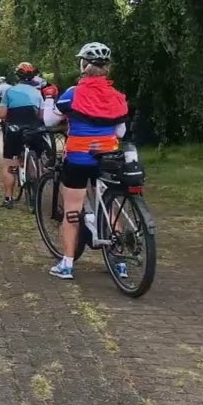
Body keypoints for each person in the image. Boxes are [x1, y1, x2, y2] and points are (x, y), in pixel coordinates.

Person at [41, 42, 130, 280]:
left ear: (83, 65)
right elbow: (120, 132)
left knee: (72, 210)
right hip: (109, 158)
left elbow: (50, 121)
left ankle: (67, 264)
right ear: (107, 69)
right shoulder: (117, 96)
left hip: (79, 159)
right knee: (110, 207)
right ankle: (120, 262)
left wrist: (49, 100)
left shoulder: (73, 93)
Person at [0, 62, 44, 209]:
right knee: (37, 158)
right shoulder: (37, 93)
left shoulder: (10, 92)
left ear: (17, 76)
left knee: (8, 164)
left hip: (14, 130)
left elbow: (2, 114)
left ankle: (8, 198)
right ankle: (35, 181)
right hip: (34, 130)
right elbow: (42, 115)